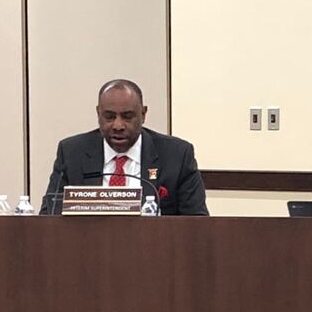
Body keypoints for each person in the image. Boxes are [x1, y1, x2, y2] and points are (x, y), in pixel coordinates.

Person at [39, 79, 209, 215]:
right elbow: (49, 216)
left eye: (127, 117)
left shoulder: (176, 155)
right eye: (109, 117)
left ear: (143, 114)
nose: (118, 125)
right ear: (98, 114)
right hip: (88, 252)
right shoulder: (72, 152)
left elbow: (196, 223)